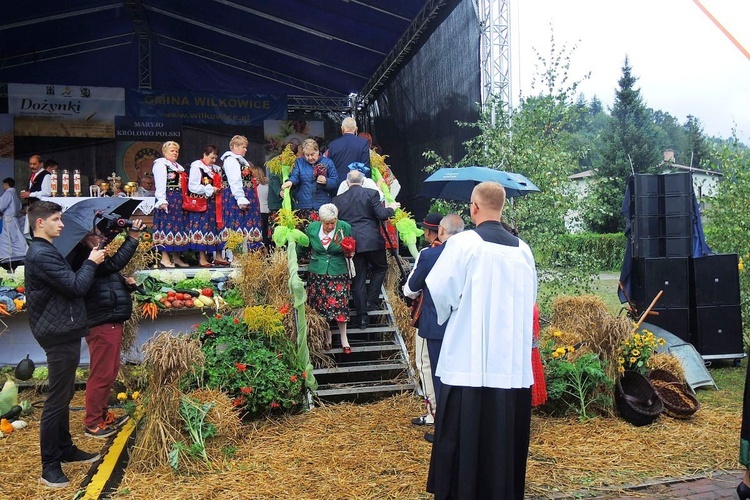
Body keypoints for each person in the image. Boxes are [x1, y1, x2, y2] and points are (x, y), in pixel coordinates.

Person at [425, 182, 536, 499]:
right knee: (502, 435)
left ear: (474, 207)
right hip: (508, 361)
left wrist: (458, 308)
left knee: (465, 433)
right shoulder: (522, 250)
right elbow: (529, 300)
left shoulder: (464, 244)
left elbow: (441, 290)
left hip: (470, 357)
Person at [24, 200, 107, 488]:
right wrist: (90, 262)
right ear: (40, 223)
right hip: (57, 332)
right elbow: (75, 286)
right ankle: (50, 465)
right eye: (56, 219)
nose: (61, 224)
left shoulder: (48, 251)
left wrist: (87, 254)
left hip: (64, 328)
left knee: (64, 394)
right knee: (56, 400)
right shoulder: (40, 254)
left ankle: (66, 449)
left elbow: (69, 282)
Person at [67, 219, 144, 438]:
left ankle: (101, 416)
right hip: (101, 321)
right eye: (95, 234)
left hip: (108, 318)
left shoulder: (95, 255)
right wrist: (133, 238)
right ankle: (92, 423)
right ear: (83, 238)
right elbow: (112, 266)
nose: (101, 237)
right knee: (101, 374)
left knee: (108, 372)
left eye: (101, 233)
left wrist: (125, 285)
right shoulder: (85, 257)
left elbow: (105, 280)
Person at [403, 213, 458, 433]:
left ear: (431, 232)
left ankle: (434, 413)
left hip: (432, 320)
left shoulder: (428, 254)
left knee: (426, 365)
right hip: (458, 322)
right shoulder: (466, 254)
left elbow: (410, 289)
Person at [333, 170, 399, 330]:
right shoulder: (372, 194)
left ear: (347, 183)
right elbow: (382, 215)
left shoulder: (337, 199)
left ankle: (362, 318)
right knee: (381, 267)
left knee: (359, 279)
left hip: (352, 243)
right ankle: (371, 301)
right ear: (362, 181)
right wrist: (392, 207)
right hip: (371, 241)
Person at [305, 204, 354, 354]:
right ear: (320, 220)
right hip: (318, 271)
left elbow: (351, 245)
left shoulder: (344, 227)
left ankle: (344, 338)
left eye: (333, 223)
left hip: (338, 270)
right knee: (321, 306)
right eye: (327, 223)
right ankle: (328, 336)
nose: (330, 226)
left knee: (340, 305)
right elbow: (305, 246)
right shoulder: (312, 228)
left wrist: (350, 252)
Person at [219, 135, 263, 254]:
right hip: (236, 197)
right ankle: (236, 256)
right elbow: (234, 180)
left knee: (245, 224)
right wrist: (240, 198)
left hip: (246, 195)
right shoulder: (231, 160)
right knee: (236, 223)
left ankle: (246, 255)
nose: (246, 150)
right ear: (234, 146)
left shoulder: (240, 160)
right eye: (243, 147)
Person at [280, 138, 339, 223]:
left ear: (318, 151)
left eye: (312, 154)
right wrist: (290, 182)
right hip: (304, 206)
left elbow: (336, 182)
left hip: (322, 206)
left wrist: (326, 181)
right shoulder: (299, 162)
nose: (310, 158)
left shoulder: (328, 162)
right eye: (307, 155)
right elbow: (295, 176)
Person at [152, 141, 189, 268]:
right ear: (164, 152)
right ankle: (165, 258)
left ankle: (176, 257)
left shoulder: (178, 167)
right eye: (172, 151)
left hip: (178, 200)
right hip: (168, 198)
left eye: (176, 151)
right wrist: (162, 200)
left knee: (178, 228)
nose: (175, 153)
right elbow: (160, 183)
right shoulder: (161, 165)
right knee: (166, 227)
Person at [187, 145, 223, 267]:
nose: (213, 161)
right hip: (202, 204)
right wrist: (210, 189)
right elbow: (193, 186)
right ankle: (202, 258)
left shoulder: (216, 169)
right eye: (212, 158)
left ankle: (218, 256)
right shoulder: (197, 167)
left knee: (217, 228)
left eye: (215, 158)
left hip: (215, 204)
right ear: (205, 155)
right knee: (202, 229)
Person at [326, 117, 371, 183]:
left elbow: (329, 169)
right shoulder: (363, 143)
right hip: (357, 185)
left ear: (342, 128)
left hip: (338, 186)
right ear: (356, 129)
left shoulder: (332, 145)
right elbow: (365, 168)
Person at [0, 178, 28, 264]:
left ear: (6, 184)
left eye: (3, 184)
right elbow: (19, 207)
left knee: (6, 239)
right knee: (16, 237)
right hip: (14, 219)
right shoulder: (15, 194)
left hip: (8, 220)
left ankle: (6, 258)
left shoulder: (8, 193)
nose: (2, 186)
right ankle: (21, 254)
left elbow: (1, 206)